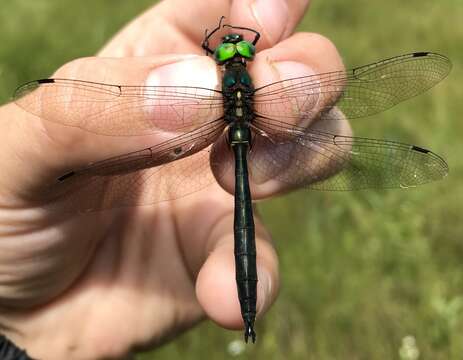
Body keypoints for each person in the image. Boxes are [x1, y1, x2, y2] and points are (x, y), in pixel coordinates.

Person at [0, 0, 343, 358]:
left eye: (240, 47)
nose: (237, 47)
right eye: (231, 48)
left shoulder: (220, 77)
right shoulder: (241, 79)